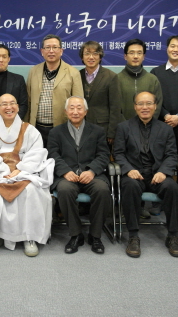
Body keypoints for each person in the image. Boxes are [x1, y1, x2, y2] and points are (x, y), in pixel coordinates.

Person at [0, 94, 55, 256]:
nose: (9, 107)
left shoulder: (31, 130)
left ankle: (29, 237)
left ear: (18, 107)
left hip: (24, 172)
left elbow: (36, 154)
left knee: (32, 191)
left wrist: (20, 170)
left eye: (12, 103)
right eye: (4, 104)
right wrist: (3, 171)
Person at [114, 91, 178, 258]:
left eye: (148, 103)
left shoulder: (166, 129)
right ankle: (133, 236)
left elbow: (172, 155)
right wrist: (128, 169)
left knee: (173, 188)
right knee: (129, 186)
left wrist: (163, 171)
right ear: (135, 107)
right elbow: (118, 153)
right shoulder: (123, 127)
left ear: (155, 106)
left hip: (157, 174)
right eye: (140, 104)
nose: (144, 107)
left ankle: (173, 235)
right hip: (134, 174)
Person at [48, 96, 112, 254]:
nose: (75, 111)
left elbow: (104, 155)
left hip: (92, 175)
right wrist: (65, 171)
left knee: (102, 190)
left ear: (86, 111)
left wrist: (92, 171)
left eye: (79, 108)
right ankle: (76, 235)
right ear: (65, 111)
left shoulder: (97, 131)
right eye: (71, 108)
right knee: (65, 190)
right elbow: (52, 154)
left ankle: (95, 236)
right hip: (67, 176)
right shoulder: (56, 132)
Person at [25, 34, 83, 146]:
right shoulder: (33, 71)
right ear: (42, 51)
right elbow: (28, 100)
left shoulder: (73, 73)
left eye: (55, 47)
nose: (51, 51)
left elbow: (78, 103)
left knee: (58, 156)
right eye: (47, 47)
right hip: (36, 128)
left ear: (61, 51)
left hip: (62, 128)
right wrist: (26, 125)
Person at [78, 41, 123, 143]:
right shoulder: (77, 75)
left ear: (100, 57)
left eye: (95, 53)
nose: (91, 57)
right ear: (82, 57)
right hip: (81, 126)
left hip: (103, 128)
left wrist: (112, 132)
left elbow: (115, 107)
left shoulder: (111, 76)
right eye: (87, 53)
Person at [116, 39, 163, 121]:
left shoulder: (152, 79)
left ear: (143, 56)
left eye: (139, 53)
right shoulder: (116, 79)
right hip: (123, 127)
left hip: (148, 126)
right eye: (131, 53)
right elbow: (114, 107)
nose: (135, 56)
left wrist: (147, 123)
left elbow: (157, 105)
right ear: (125, 56)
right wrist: (124, 126)